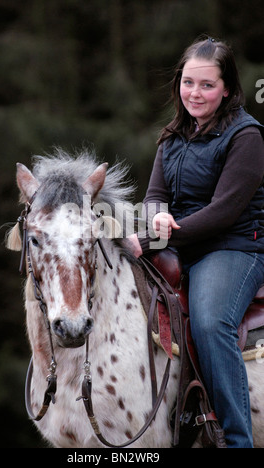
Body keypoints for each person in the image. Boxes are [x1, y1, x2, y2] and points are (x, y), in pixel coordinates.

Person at [128, 37, 264, 448]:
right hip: (178, 243)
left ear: (227, 89)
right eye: (189, 82)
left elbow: (224, 211)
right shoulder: (172, 136)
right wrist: (156, 216)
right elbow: (154, 194)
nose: (195, 93)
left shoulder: (248, 137)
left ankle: (237, 439)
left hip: (234, 248)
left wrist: (160, 233)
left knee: (209, 322)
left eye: (207, 85)